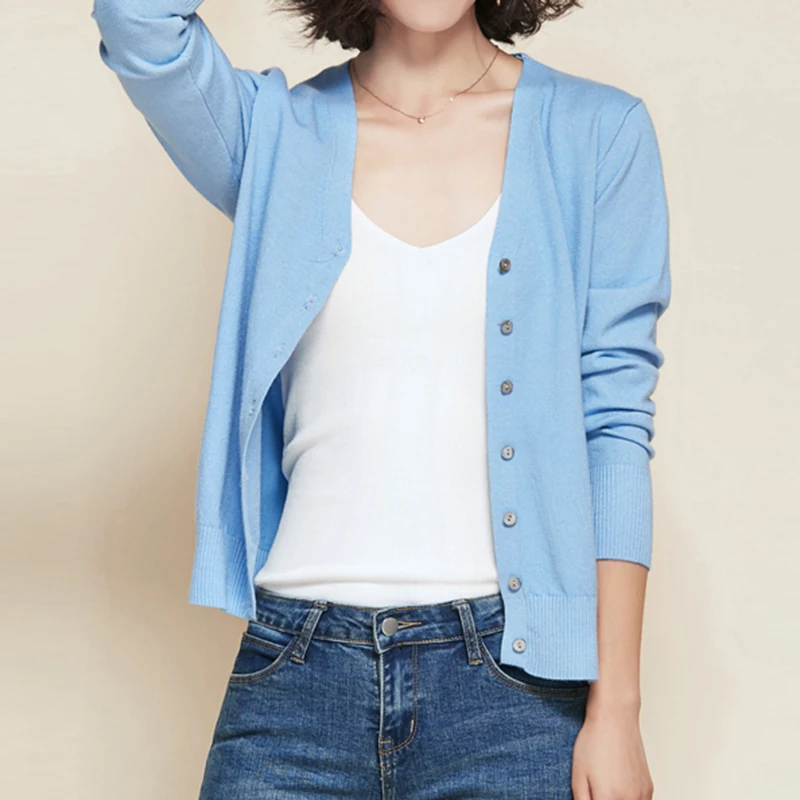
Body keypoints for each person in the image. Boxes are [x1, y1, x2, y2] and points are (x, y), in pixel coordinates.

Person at [91, 0, 670, 797]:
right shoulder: (273, 135)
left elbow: (613, 425)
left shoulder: (598, 133)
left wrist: (618, 710)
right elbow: (138, 22)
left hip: (514, 694)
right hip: (295, 674)